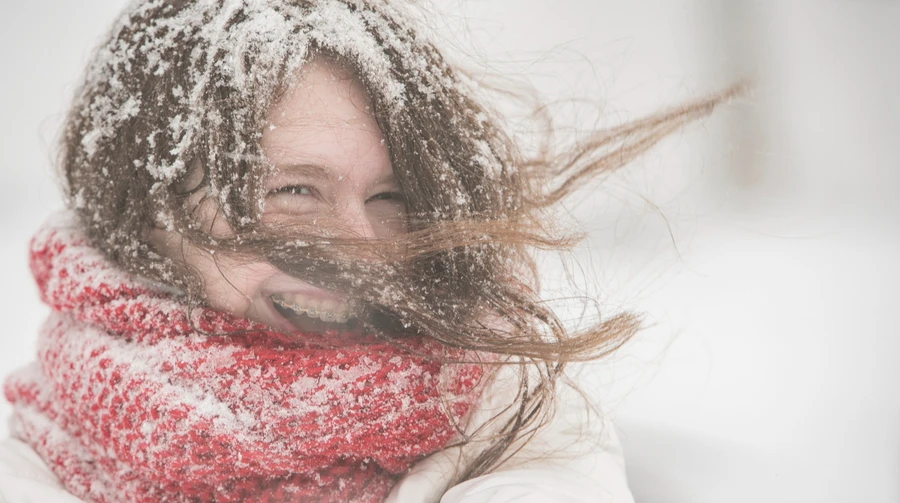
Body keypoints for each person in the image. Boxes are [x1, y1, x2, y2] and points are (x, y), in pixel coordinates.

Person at [0, 1, 737, 502]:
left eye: (391, 198)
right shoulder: (29, 453)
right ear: (143, 211)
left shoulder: (508, 405)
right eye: (293, 192)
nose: (363, 247)